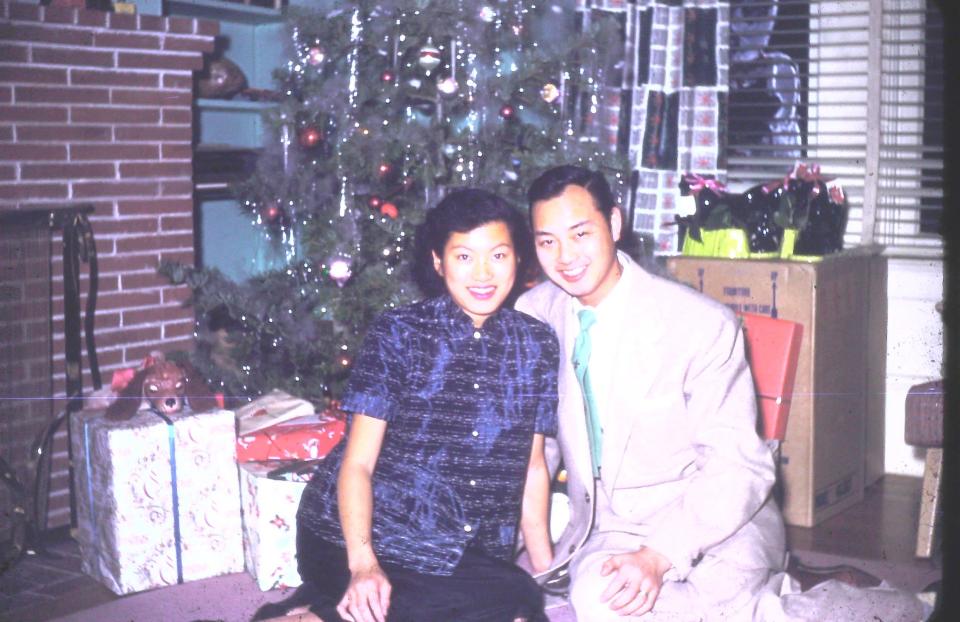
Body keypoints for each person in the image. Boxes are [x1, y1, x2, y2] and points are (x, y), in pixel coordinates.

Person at [514, 165, 931, 622]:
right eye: (546, 241)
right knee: (599, 604)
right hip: (612, 529)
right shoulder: (535, 315)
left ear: (614, 224)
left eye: (580, 234)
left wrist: (659, 556)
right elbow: (534, 445)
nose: (565, 256)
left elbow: (740, 466)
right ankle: (771, 603)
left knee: (710, 607)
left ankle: (881, 608)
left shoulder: (699, 322)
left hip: (719, 521)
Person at [255, 188, 559, 622]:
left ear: (518, 260)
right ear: (438, 262)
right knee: (509, 599)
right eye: (464, 256)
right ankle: (333, 612)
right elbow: (357, 464)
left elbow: (531, 467)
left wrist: (546, 569)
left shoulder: (537, 343)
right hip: (356, 536)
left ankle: (316, 612)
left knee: (521, 598)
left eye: (498, 255)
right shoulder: (399, 333)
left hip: (456, 552)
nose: (483, 273)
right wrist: (364, 566)